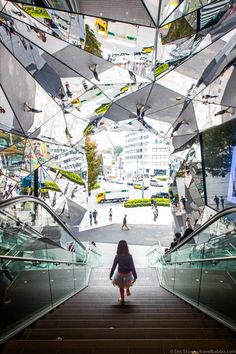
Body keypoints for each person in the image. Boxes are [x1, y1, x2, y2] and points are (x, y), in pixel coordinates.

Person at [110, 240, 137, 305]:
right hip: (128, 274)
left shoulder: (117, 256)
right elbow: (132, 267)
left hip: (120, 274)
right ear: (126, 247)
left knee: (121, 287)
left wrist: (110, 275)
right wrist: (135, 276)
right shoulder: (129, 256)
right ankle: (127, 288)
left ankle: (122, 299)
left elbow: (113, 267)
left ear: (118, 247)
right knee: (128, 282)